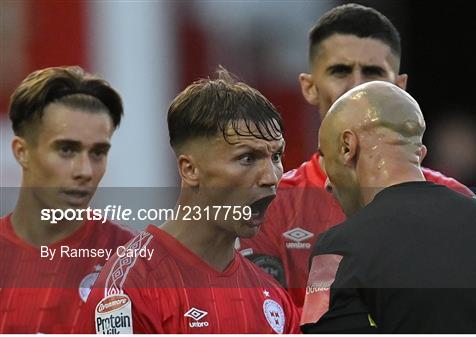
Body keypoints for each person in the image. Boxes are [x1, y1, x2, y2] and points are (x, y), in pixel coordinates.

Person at [239, 3, 476, 309]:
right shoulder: (270, 210)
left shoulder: (457, 203)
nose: (357, 87)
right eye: (340, 71)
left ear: (400, 88)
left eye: (373, 72)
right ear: (310, 88)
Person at [301, 81, 476, 333]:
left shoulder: (335, 249)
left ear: (348, 147)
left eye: (326, 158)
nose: (328, 182)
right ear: (419, 154)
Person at [76, 70, 300, 333]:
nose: (271, 177)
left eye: (276, 156)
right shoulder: (127, 289)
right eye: (247, 158)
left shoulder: (273, 298)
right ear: (190, 170)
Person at [0, 66, 135, 333]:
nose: (84, 171)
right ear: (22, 152)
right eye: (66, 149)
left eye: (98, 152)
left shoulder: (136, 263)